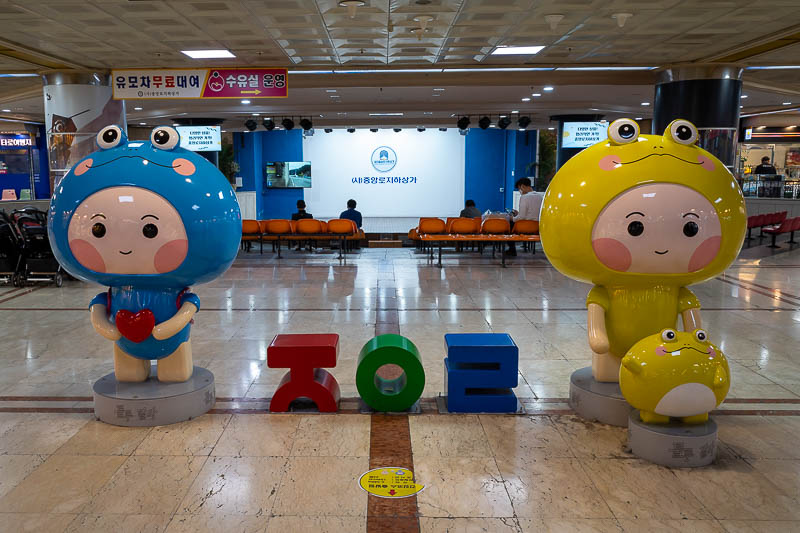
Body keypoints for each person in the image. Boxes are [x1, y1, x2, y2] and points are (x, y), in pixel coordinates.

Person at [506, 177, 544, 256]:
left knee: (509, 224)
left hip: (525, 227)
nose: (520, 191)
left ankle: (512, 250)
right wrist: (518, 214)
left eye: (519, 189)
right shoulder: (540, 197)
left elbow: (521, 217)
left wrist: (512, 218)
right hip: (537, 227)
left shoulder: (524, 197)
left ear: (522, 186)